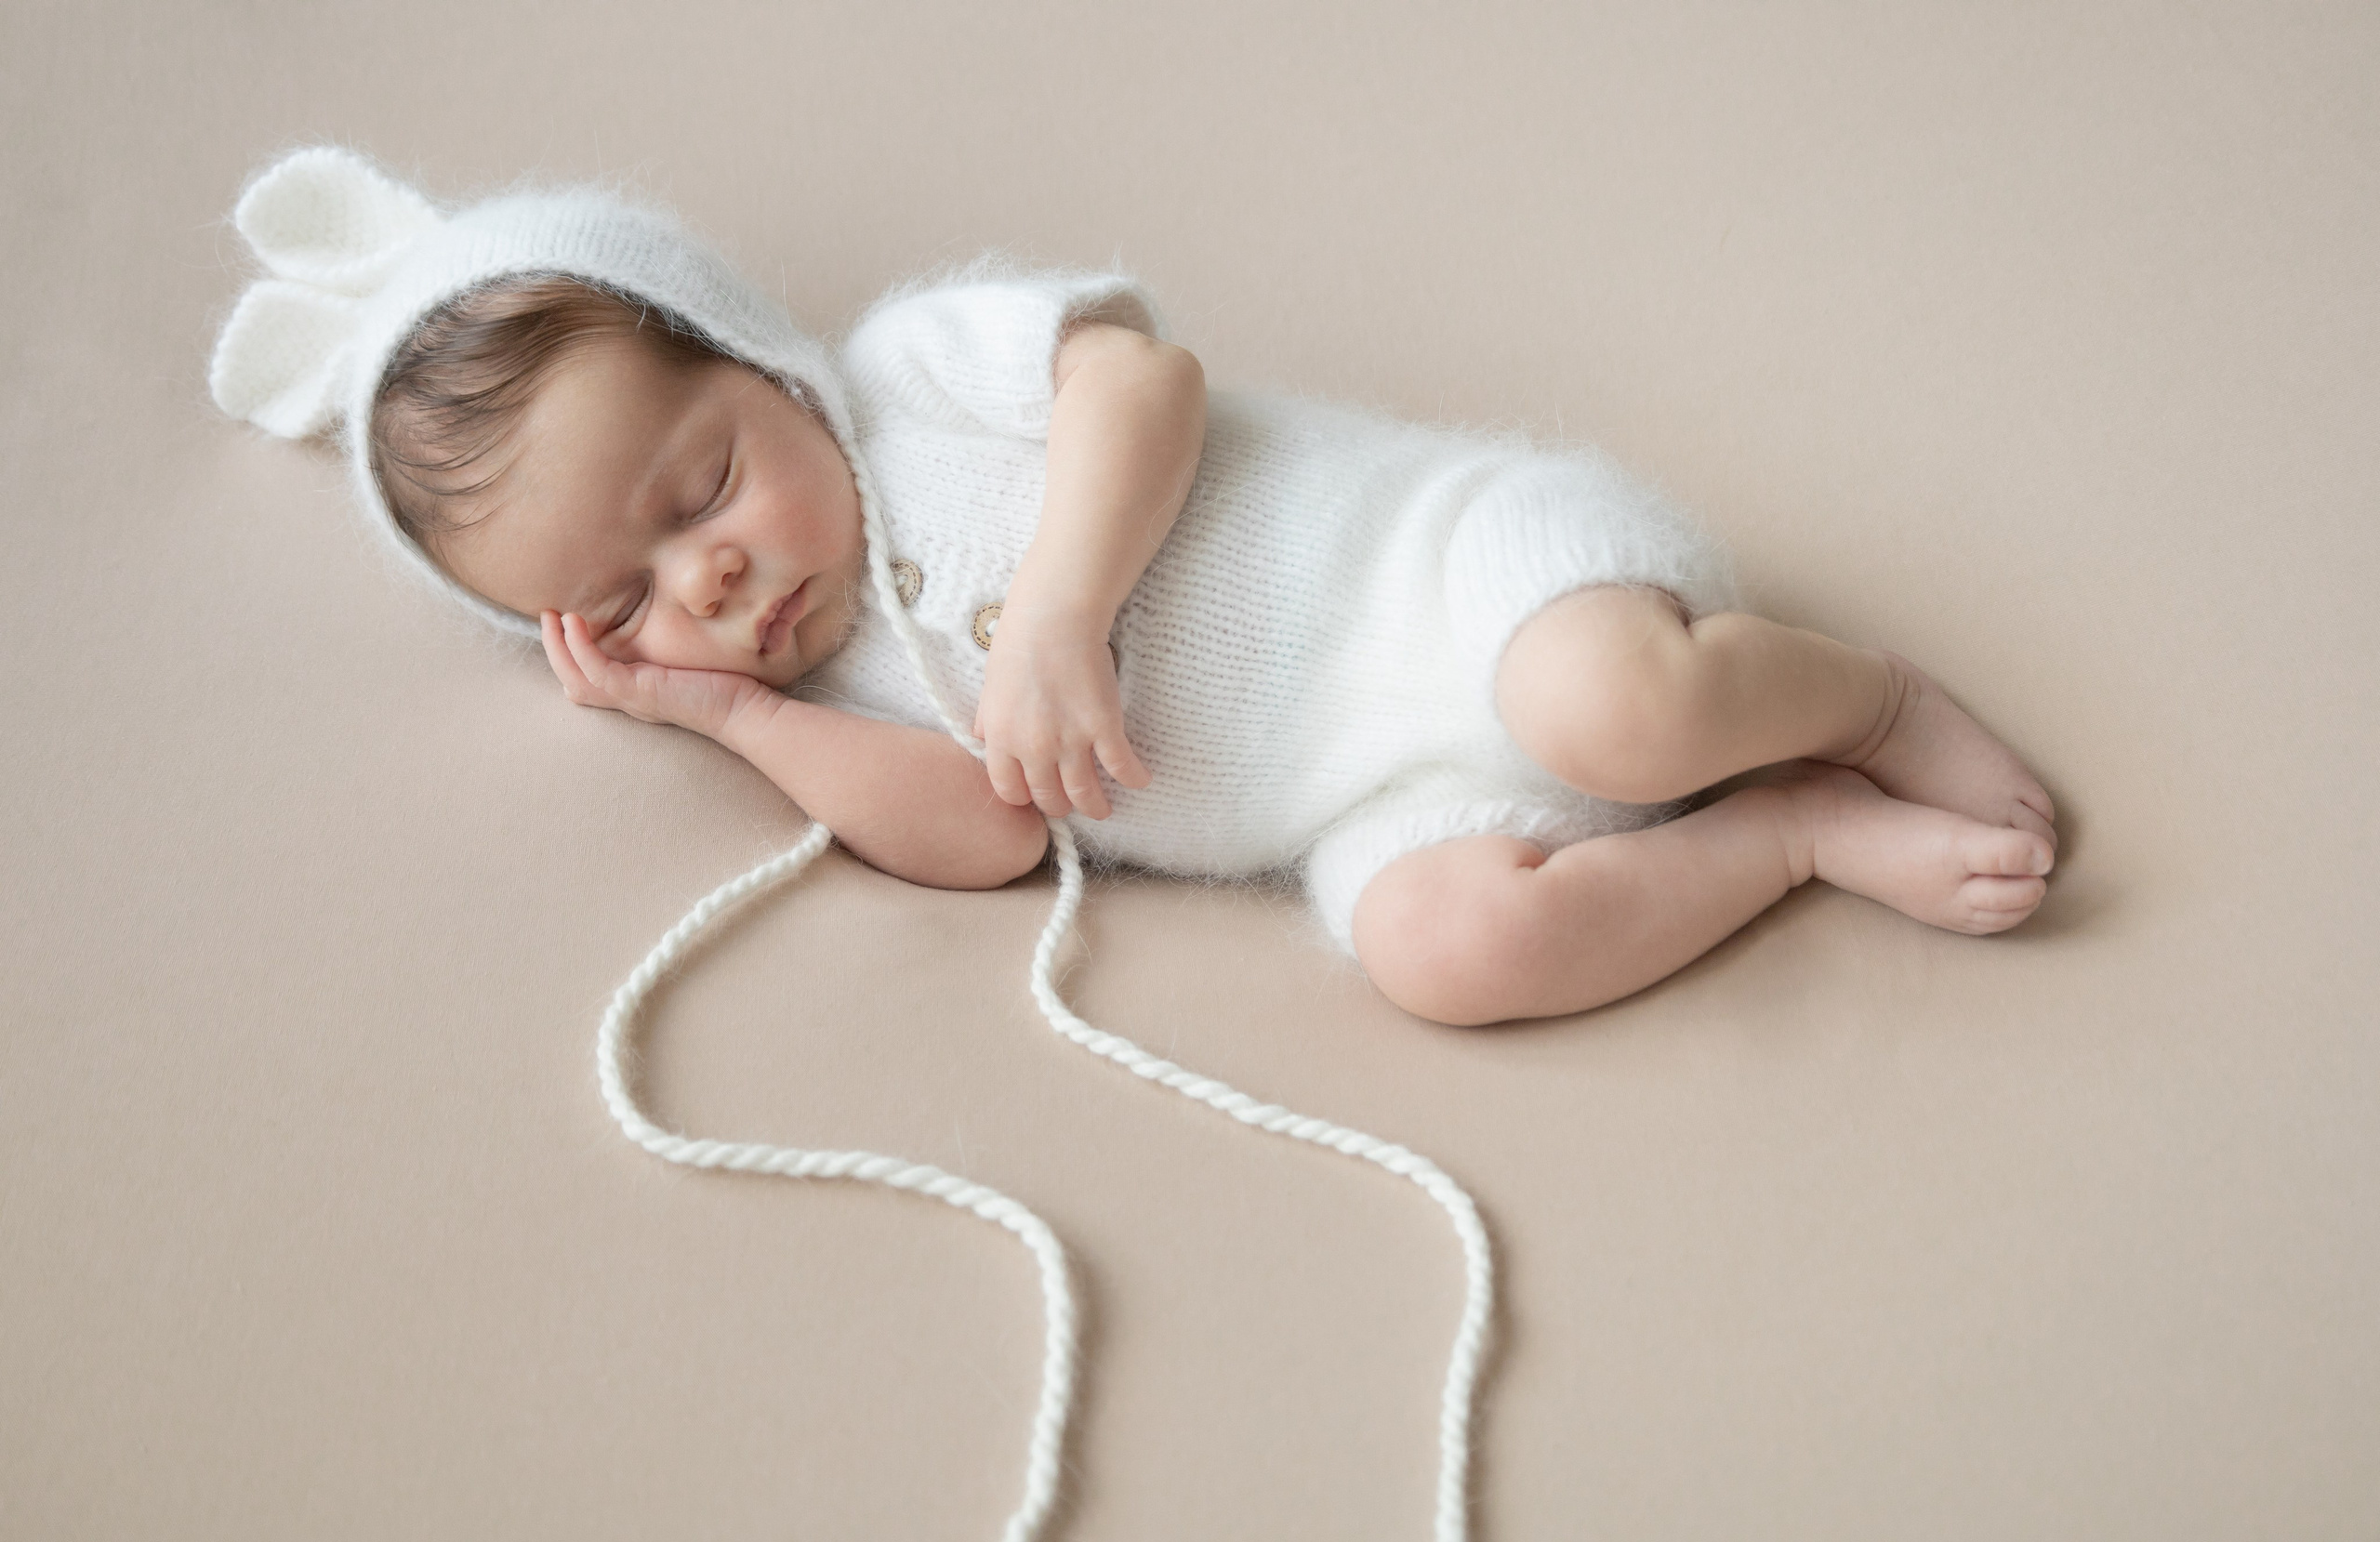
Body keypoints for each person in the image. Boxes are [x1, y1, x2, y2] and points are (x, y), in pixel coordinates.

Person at [215, 147, 2056, 1029]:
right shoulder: (815, 687)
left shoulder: (911, 367)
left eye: (699, 486)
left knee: (1611, 707)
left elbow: (1137, 377)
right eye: (627, 604)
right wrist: (731, 713)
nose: (708, 578)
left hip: (1449, 581)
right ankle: (1791, 834)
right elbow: (983, 839)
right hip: (1364, 801)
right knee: (1443, 955)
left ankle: (1866, 701)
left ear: (760, 358)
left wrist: (1063, 610)